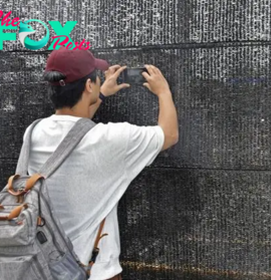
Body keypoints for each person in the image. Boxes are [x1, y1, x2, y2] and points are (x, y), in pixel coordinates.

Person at [22, 47, 179, 280]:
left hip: (44, 267)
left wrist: (101, 92)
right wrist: (164, 92)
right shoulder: (109, 139)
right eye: (96, 77)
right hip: (92, 271)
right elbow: (169, 135)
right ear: (88, 86)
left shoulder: (33, 132)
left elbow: (74, 129)